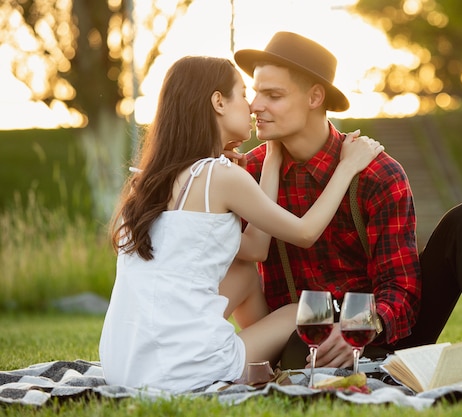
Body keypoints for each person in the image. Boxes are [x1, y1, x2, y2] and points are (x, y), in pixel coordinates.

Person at [231, 31, 462, 372]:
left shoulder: (377, 174)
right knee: (298, 352)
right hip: (305, 332)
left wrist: (356, 330)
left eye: (272, 95)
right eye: (255, 92)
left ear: (315, 97)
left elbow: (402, 289)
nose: (256, 105)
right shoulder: (250, 173)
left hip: (386, 331)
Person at [98, 55, 384, 393]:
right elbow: (305, 233)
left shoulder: (147, 182)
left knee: (244, 272)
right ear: (218, 102)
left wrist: (271, 162)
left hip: (123, 365)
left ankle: (261, 355)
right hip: (180, 370)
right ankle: (269, 363)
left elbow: (254, 250)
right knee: (298, 309)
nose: (251, 106)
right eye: (242, 93)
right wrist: (347, 167)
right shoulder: (220, 176)